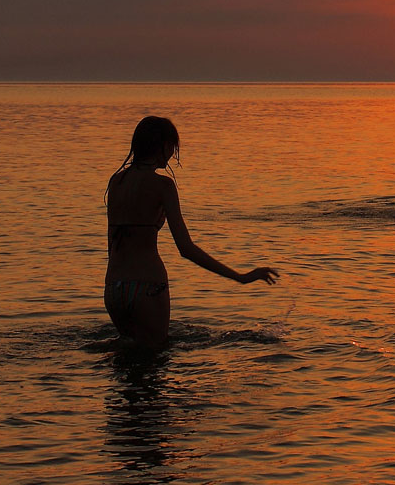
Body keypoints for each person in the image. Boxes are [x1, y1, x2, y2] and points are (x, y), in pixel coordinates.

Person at [104, 116, 278, 348]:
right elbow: (185, 248)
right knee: (156, 360)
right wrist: (241, 277)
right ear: (163, 146)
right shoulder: (163, 186)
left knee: (126, 362)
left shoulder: (116, 182)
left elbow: (111, 244)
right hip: (148, 286)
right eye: (172, 147)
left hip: (114, 288)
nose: (172, 154)